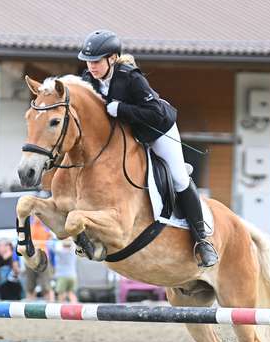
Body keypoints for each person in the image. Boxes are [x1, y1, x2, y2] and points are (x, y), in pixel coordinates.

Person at [78, 29, 218, 268]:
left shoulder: (131, 77)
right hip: (129, 136)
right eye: (89, 61)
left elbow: (154, 113)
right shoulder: (89, 79)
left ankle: (202, 241)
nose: (91, 66)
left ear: (112, 58)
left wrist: (122, 109)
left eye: (97, 61)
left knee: (179, 179)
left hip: (158, 130)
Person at [24, 217, 56, 301]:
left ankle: (51, 308)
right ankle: (28, 309)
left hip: (43, 258)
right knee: (30, 287)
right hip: (31, 259)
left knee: (47, 287)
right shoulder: (29, 228)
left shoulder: (46, 228)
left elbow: (52, 239)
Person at [51, 238, 78, 303]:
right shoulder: (73, 252)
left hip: (62, 276)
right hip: (73, 276)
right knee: (71, 294)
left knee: (61, 294)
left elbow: (51, 246)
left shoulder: (60, 252)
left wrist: (56, 239)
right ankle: (76, 308)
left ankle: (60, 311)